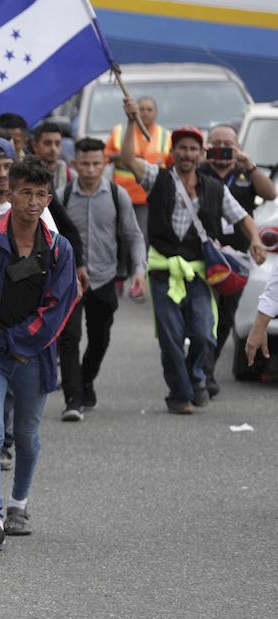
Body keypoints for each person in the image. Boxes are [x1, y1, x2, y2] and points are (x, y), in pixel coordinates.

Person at [115, 97, 267, 413]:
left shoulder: (214, 188)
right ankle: (179, 395)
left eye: (192, 149)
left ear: (201, 155)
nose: (186, 154)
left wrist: (254, 239)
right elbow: (128, 158)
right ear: (174, 152)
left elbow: (242, 216)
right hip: (162, 270)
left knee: (203, 335)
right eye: (181, 148)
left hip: (199, 272)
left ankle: (196, 378)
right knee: (170, 339)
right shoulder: (158, 177)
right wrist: (131, 122)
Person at [0, 155, 79, 550]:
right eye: (24, 192)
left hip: (31, 356)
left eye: (40, 194)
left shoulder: (59, 250)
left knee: (26, 436)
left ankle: (18, 505)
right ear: (9, 193)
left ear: (48, 198)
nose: (32, 201)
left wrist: (3, 340)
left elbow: (54, 314)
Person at [57, 137, 146, 418]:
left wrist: (138, 271)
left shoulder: (118, 195)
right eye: (85, 164)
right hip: (70, 280)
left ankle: (86, 380)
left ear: (105, 163)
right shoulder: (63, 196)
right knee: (69, 338)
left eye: (97, 163)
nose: (91, 170)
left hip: (105, 277)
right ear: (75, 164)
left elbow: (133, 235)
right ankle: (72, 399)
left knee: (100, 338)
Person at [201, 123, 276, 392]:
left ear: (238, 146)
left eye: (228, 145)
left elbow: (271, 193)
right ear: (207, 145)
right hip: (205, 253)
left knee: (225, 316)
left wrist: (250, 165)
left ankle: (207, 369)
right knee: (202, 316)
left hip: (238, 259)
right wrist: (199, 159)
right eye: (216, 143)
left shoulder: (245, 174)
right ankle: (200, 368)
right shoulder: (199, 171)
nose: (221, 149)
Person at [105, 94, 171, 243]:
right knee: (121, 235)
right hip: (123, 195)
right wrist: (122, 157)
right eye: (141, 109)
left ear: (156, 112)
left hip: (149, 197)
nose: (145, 113)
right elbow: (105, 156)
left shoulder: (166, 135)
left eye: (149, 109)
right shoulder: (120, 131)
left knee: (143, 237)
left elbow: (171, 165)